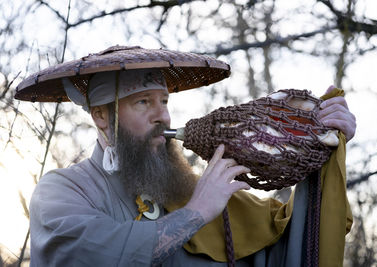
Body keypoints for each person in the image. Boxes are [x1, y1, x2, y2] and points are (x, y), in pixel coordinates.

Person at [24, 47, 356, 266]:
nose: (163, 116)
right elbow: (93, 255)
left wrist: (314, 144)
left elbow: (293, 239)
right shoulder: (63, 190)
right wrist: (196, 213)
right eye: (143, 102)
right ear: (101, 116)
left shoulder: (192, 190)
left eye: (164, 102)